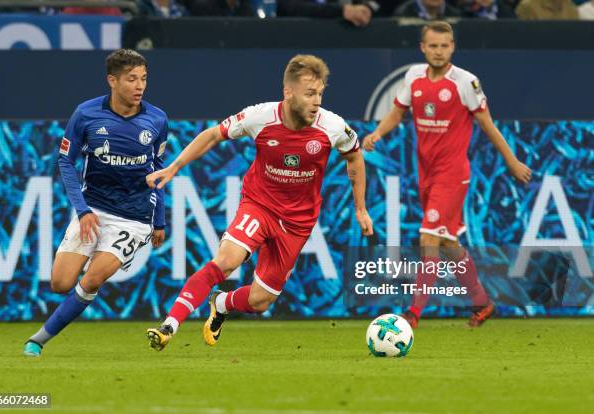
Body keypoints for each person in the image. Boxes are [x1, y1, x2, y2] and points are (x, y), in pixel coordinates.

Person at [146, 54, 373, 351]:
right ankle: (169, 326)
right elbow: (214, 135)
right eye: (309, 94)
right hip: (259, 205)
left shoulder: (332, 126)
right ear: (288, 92)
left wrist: (360, 207)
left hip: (298, 223)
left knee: (260, 301)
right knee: (226, 261)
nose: (316, 101)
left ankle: (222, 303)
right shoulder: (261, 116)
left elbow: (354, 156)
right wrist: (174, 167)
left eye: (319, 93)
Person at [363, 22, 531, 328]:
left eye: (444, 46)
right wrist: (377, 133)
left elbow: (488, 125)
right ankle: (482, 303)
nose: (439, 52)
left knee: (428, 238)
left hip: (452, 174)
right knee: (448, 245)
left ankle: (412, 315)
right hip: (425, 174)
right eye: (433, 46)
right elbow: (397, 112)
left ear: (452, 47)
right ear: (423, 48)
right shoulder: (413, 76)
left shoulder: (465, 82)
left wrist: (512, 161)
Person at [23, 49, 168, 357]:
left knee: (92, 279)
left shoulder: (157, 119)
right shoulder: (86, 114)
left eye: (143, 79)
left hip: (133, 217)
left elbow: (158, 171)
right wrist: (83, 211)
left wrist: (159, 221)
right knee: (61, 283)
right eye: (131, 79)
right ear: (112, 81)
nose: (139, 86)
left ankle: (37, 341)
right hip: (94, 209)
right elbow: (66, 163)